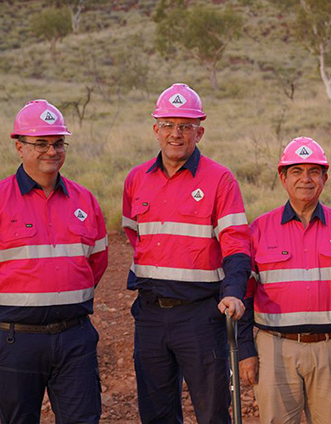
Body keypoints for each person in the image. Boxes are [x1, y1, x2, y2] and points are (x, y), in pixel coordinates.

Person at [0, 99, 108, 423]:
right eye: (41, 144)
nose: (51, 151)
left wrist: (64, 298)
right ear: (19, 147)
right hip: (15, 340)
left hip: (75, 338)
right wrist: (3, 311)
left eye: (58, 143)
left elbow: (96, 263)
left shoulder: (85, 200)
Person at [122, 83, 252, 424]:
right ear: (156, 130)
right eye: (168, 125)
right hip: (149, 315)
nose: (175, 134)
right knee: (156, 413)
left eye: (185, 126)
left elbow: (237, 245)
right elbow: (134, 237)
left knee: (211, 413)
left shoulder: (220, 179)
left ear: (200, 131)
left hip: (200, 317)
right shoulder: (136, 179)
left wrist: (234, 292)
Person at [240, 137, 331, 424]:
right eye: (297, 171)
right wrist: (244, 350)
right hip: (274, 348)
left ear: (324, 178)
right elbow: (244, 293)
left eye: (313, 171)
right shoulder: (260, 228)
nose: (306, 179)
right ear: (283, 177)